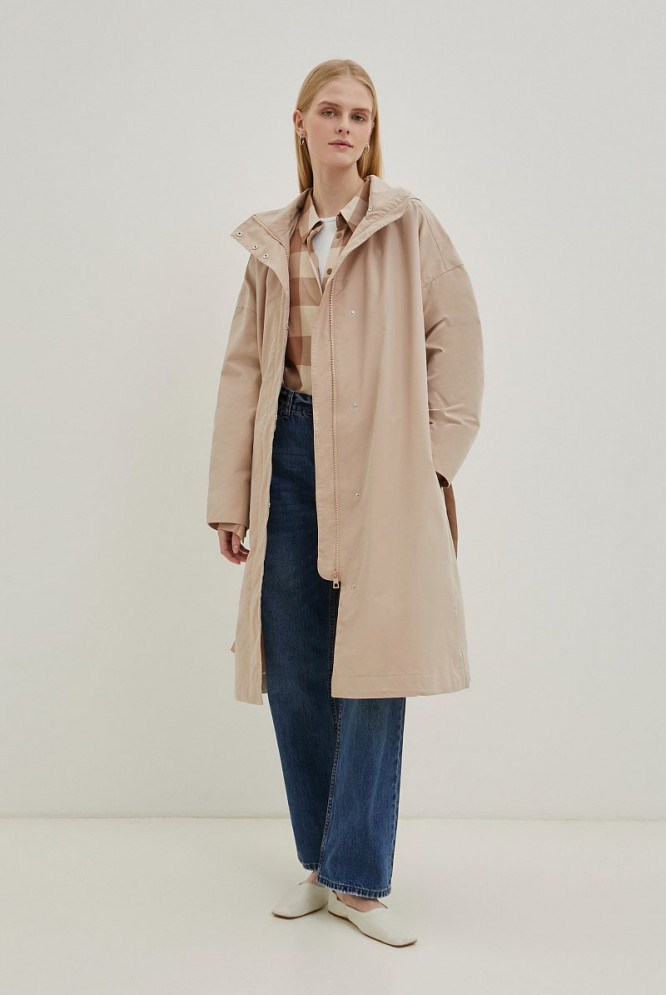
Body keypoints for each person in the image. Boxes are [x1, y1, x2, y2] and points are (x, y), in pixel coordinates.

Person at [206, 58, 484, 948]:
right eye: (329, 111)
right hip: (287, 451)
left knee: (375, 665)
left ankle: (359, 881)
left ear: (372, 131)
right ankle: (322, 864)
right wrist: (231, 495)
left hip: (383, 459)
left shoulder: (407, 224)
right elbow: (243, 367)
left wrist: (430, 467)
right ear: (300, 123)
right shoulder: (272, 241)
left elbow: (458, 341)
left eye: (359, 116)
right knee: (293, 664)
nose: (344, 127)